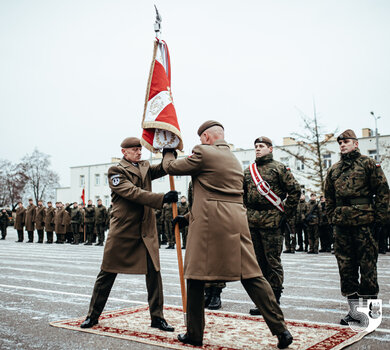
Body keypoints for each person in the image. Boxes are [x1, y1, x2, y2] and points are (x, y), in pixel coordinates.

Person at [163, 121, 293, 349]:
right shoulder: (234, 160)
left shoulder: (203, 153)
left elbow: (171, 167)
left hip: (208, 225)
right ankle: (281, 329)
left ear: (205, 137)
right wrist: (186, 218)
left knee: (195, 278)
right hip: (236, 222)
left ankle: (195, 334)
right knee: (252, 276)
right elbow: (215, 191)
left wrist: (168, 150)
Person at [80, 137, 177, 332]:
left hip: (146, 229)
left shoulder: (145, 166)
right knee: (107, 272)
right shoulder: (116, 171)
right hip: (124, 230)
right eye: (134, 150)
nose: (139, 152)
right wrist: (162, 198)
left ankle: (157, 318)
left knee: (154, 273)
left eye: (140, 149)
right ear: (124, 152)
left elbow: (165, 168)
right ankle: (93, 315)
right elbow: (132, 193)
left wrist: (169, 151)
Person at [324, 129, 389, 325]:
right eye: (340, 142)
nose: (343, 145)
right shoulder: (334, 169)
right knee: (346, 268)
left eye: (346, 141)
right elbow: (329, 197)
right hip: (342, 225)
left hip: (365, 223)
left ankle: (370, 313)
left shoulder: (368, 163)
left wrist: (380, 220)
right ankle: (354, 312)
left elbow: (383, 192)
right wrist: (332, 217)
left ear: (356, 143)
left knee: (368, 266)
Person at [243, 136, 300, 314]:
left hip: (273, 221)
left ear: (270, 149)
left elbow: (295, 190)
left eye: (262, 146)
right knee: (258, 263)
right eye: (256, 146)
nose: (258, 149)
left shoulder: (279, 168)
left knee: (273, 262)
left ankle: (274, 300)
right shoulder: (248, 171)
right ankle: (263, 301)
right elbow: (243, 195)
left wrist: (285, 214)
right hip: (253, 221)